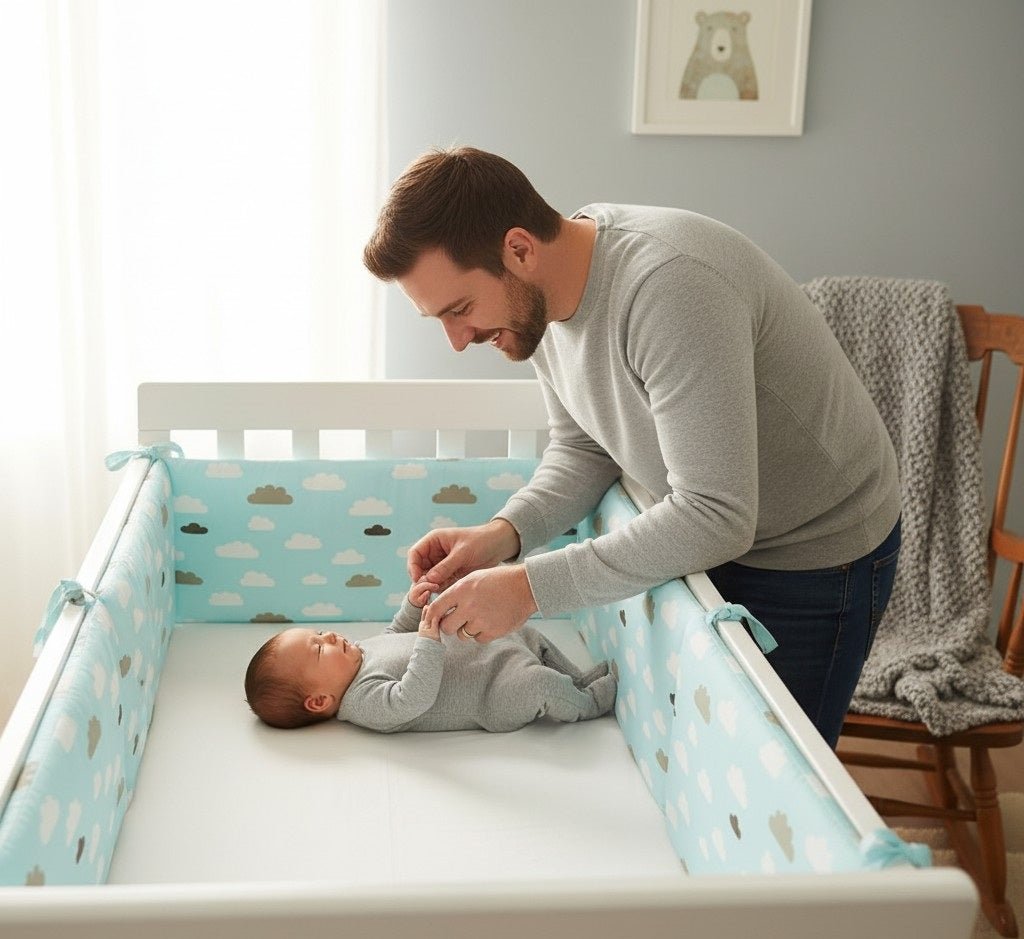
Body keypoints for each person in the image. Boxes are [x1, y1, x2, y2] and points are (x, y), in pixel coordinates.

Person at [361, 146, 902, 749]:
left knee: (779, 767)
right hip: (716, 530)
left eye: (459, 309)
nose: (458, 340)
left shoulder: (670, 287)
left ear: (519, 249)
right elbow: (584, 449)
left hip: (815, 549)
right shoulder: (539, 303)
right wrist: (502, 535)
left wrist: (527, 589)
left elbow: (717, 514)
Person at [244, 580, 617, 732]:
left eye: (318, 633)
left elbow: (396, 635)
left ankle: (578, 679)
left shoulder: (362, 653)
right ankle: (589, 702)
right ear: (320, 700)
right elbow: (411, 698)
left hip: (495, 652)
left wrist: (412, 605)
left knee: (527, 634)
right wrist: (427, 641)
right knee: (538, 683)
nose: (328, 636)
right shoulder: (361, 703)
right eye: (318, 647)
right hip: (493, 693)